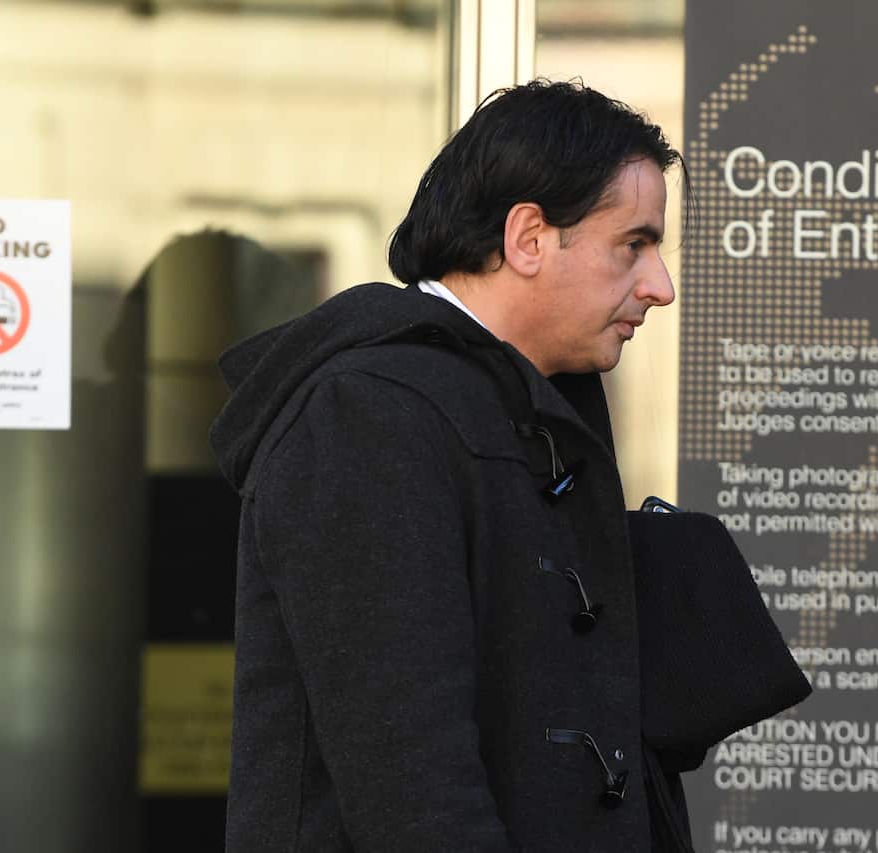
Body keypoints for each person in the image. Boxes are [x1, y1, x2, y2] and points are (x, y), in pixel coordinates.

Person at [210, 80, 692, 851]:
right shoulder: (365, 415)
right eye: (633, 245)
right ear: (530, 237)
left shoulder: (520, 403)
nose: (659, 287)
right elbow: (414, 793)